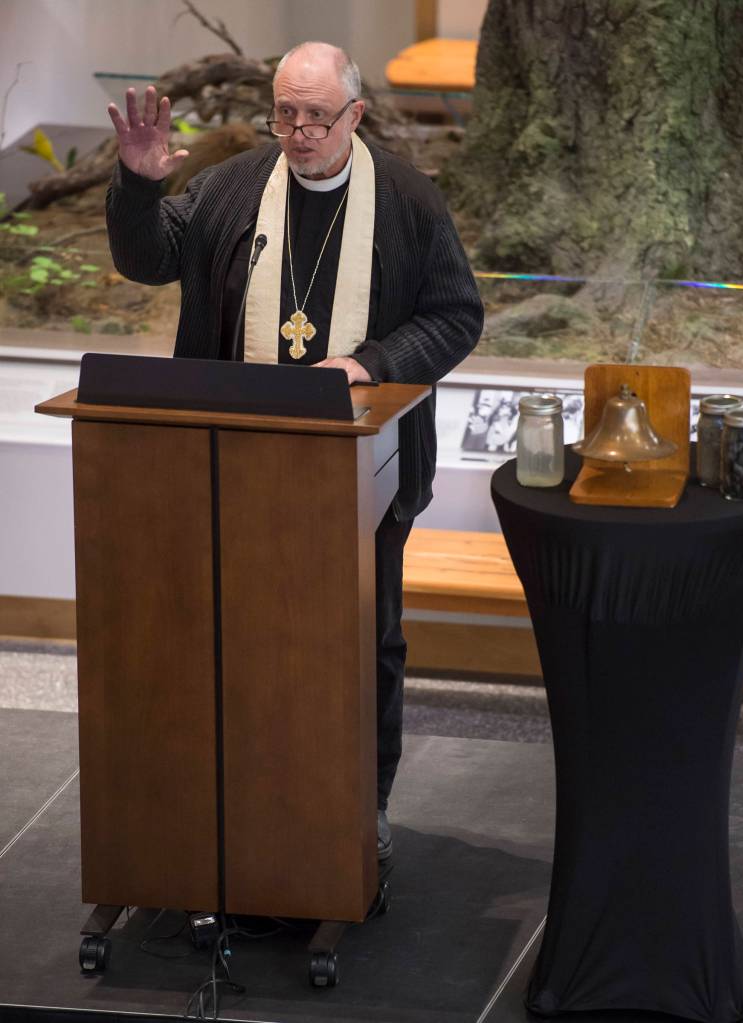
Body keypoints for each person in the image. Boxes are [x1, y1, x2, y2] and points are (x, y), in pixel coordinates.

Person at [105, 41, 483, 861]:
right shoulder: (232, 187)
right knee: (235, 633)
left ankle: (363, 803)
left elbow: (457, 316)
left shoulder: (410, 201)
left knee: (361, 638)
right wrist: (138, 183)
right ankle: (238, 797)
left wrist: (373, 363)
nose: (301, 132)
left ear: (356, 115)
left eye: (318, 116)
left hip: (363, 470)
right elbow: (147, 258)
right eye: (286, 114)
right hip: (231, 463)